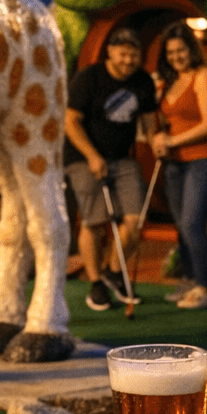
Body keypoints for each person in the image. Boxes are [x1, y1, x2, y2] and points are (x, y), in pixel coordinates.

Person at [62, 28, 158, 311]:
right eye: (123, 54)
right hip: (83, 157)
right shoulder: (89, 78)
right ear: (111, 52)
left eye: (134, 55)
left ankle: (113, 272)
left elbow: (150, 121)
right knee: (94, 221)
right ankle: (96, 284)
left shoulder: (143, 81)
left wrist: (157, 141)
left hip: (122, 157)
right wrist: (92, 155)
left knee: (134, 222)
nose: (128, 61)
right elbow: (70, 122)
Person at [152, 22, 207, 309]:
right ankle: (190, 282)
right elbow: (165, 120)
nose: (176, 57)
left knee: (194, 224)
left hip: (204, 160)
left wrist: (173, 141)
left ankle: (205, 288)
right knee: (181, 227)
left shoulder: (204, 76)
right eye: (170, 52)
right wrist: (159, 137)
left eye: (180, 50)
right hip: (174, 164)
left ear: (191, 49)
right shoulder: (170, 80)